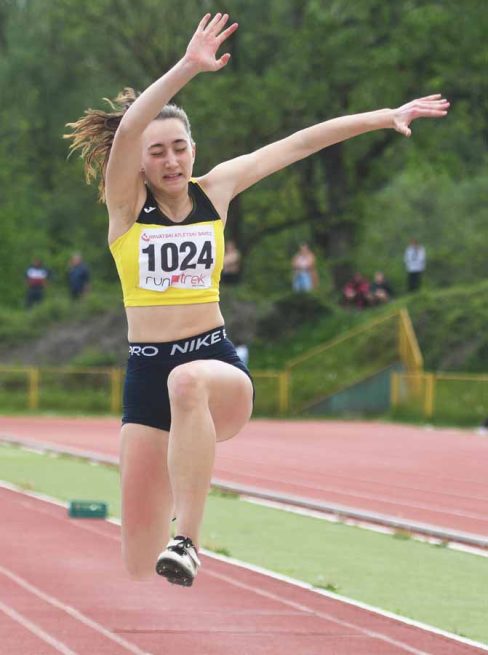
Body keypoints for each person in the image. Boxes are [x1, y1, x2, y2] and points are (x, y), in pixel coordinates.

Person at [65, 12, 449, 587]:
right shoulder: (126, 208)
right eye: (157, 152)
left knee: (187, 382)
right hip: (146, 375)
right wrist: (187, 67)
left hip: (214, 366)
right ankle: (169, 527)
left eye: (179, 148)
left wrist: (384, 117)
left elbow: (299, 143)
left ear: (194, 149)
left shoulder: (215, 191)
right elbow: (127, 132)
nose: (171, 161)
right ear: (139, 162)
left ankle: (188, 540)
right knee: (137, 564)